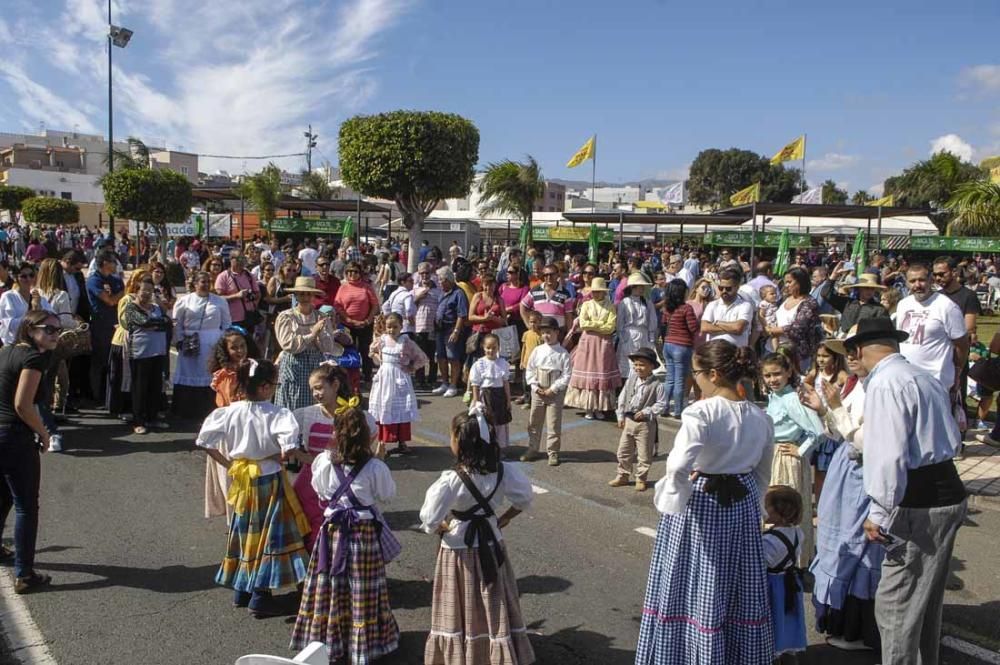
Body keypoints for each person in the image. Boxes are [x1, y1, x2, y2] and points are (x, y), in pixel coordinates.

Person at [638, 340, 774, 664]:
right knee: (738, 583)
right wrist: (750, 501)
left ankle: (689, 655)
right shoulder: (760, 416)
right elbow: (762, 475)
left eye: (697, 372)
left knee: (696, 581)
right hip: (740, 504)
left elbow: (678, 465)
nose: (694, 378)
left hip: (702, 502)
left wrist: (675, 495)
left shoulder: (702, 411)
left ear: (713, 373)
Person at [846, 318, 967, 665]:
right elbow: (951, 439)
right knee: (925, 599)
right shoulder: (923, 377)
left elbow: (888, 456)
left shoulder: (885, 384)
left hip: (920, 501)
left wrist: (878, 512)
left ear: (857, 350)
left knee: (896, 606)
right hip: (946, 492)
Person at [195, 359, 311, 617]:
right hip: (269, 482)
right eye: (273, 384)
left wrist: (229, 463)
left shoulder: (230, 411)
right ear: (265, 387)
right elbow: (288, 448)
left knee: (246, 532)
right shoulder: (278, 414)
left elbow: (204, 441)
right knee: (269, 538)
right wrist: (290, 458)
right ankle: (260, 595)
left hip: (242, 480)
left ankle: (242, 591)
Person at [420, 410, 535, 665]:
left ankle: (462, 654)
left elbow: (429, 517)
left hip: (458, 546)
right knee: (492, 597)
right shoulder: (504, 471)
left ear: (459, 442)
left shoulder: (452, 479)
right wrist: (505, 517)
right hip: (491, 540)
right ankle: (494, 651)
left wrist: (441, 527)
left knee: (460, 602)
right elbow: (525, 499)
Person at [291, 407, 400, 662]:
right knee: (362, 587)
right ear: (366, 437)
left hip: (332, 532)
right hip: (362, 535)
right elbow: (386, 495)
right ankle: (363, 645)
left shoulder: (323, 462)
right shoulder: (374, 467)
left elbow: (319, 492)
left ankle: (329, 642)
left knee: (330, 584)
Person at [799, 327, 884, 653]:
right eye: (846, 351)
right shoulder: (856, 384)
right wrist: (824, 408)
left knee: (857, 545)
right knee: (838, 541)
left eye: (854, 351)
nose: (850, 358)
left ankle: (857, 627)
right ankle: (839, 621)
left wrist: (832, 406)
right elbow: (838, 433)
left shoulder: (879, 388)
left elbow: (864, 440)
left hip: (861, 474)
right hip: (843, 472)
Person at [0, 310, 61, 594]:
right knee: (26, 504)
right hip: (14, 436)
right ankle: (24, 574)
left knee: (4, 495)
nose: (54, 334)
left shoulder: (7, 351)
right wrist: (44, 433)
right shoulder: (32, 359)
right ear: (29, 329)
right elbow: (23, 405)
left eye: (57, 330)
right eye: (48, 329)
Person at [292, 364, 377, 549]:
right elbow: (280, 433)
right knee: (310, 521)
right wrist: (299, 455)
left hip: (344, 481)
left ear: (335, 385)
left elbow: (368, 441)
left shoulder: (358, 415)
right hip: (310, 481)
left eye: (319, 387)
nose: (315, 393)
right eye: (312, 389)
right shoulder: (306, 415)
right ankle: (316, 563)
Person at [762, 348, 824, 568]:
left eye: (777, 374)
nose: (772, 379)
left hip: (787, 458)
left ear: (788, 372)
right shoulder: (775, 398)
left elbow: (817, 431)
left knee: (784, 509)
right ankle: (777, 554)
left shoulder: (791, 399)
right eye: (768, 375)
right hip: (774, 455)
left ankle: (793, 560)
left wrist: (800, 450)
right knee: (772, 506)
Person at [894, 264, 968, 393]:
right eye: (912, 281)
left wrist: (957, 372)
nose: (917, 285)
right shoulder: (903, 305)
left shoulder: (947, 306)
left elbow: (962, 344)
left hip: (935, 382)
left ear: (931, 281)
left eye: (922, 280)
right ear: (906, 283)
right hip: (906, 380)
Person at [274, 277, 345, 411]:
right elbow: (288, 344)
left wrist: (320, 334)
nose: (305, 297)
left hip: (315, 364)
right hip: (293, 364)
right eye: (301, 293)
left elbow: (327, 347)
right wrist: (312, 334)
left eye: (308, 293)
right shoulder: (287, 316)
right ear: (296, 295)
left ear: (313, 295)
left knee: (315, 404)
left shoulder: (321, 316)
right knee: (292, 403)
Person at [203, 328, 252, 522]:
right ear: (225, 350)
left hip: (249, 428)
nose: (240, 350)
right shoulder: (224, 376)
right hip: (229, 431)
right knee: (231, 477)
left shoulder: (252, 367)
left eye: (242, 346)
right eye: (234, 348)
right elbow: (228, 403)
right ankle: (234, 522)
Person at [172, 271, 232, 420]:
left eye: (208, 282)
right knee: (189, 372)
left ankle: (208, 410)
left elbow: (226, 324)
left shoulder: (219, 301)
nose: (205, 285)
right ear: (195, 284)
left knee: (209, 374)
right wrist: (179, 340)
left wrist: (221, 342)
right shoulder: (184, 301)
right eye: (202, 282)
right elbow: (177, 323)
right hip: (190, 343)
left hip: (212, 343)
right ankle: (185, 411)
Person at [368, 312, 428, 457]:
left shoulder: (406, 342)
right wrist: (378, 358)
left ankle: (402, 442)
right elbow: (372, 352)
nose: (391, 330)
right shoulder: (381, 340)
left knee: (400, 409)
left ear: (401, 327)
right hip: (384, 379)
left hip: (399, 379)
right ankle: (382, 442)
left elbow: (422, 358)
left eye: (395, 327)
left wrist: (411, 368)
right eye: (389, 327)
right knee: (385, 407)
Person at [609, 348, 665, 492]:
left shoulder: (657, 385)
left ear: (652, 366)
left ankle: (641, 478)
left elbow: (661, 404)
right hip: (629, 421)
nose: (638, 368)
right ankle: (623, 475)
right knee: (623, 451)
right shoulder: (631, 380)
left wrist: (647, 411)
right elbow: (623, 397)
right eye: (636, 365)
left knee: (644, 454)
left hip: (645, 425)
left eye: (642, 365)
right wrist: (620, 415)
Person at [564, 277, 620, 420]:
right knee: (588, 371)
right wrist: (599, 324)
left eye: (599, 292)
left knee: (601, 371)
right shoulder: (586, 305)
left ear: (604, 292)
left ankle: (599, 407)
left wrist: (593, 325)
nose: (596, 294)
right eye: (594, 291)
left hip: (603, 344)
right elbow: (583, 323)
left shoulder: (610, 306)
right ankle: (588, 407)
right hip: (588, 343)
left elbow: (610, 327)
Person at [763, 486, 808, 660]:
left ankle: (772, 651)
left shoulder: (769, 540)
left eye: (768, 507)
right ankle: (788, 649)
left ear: (779, 511)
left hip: (773, 584)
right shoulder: (798, 533)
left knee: (774, 619)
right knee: (787, 619)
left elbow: (765, 562)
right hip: (790, 581)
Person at [121, 279, 170, 435]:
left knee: (155, 387)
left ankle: (152, 417)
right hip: (140, 353)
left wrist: (159, 322)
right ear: (137, 291)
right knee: (140, 388)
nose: (147, 293)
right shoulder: (131, 307)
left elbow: (168, 322)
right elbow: (143, 322)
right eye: (144, 290)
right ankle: (139, 420)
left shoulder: (156, 308)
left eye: (151, 290)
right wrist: (157, 323)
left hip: (158, 352)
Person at [522, 316, 571, 466]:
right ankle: (533, 448)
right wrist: (535, 387)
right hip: (538, 390)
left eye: (549, 332)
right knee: (534, 421)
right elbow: (530, 370)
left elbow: (567, 374)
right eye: (543, 333)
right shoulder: (537, 351)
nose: (546, 336)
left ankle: (553, 451)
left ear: (557, 332)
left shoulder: (563, 353)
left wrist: (554, 388)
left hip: (554, 391)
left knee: (553, 422)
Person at [766, 267, 822, 372]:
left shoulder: (809, 303)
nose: (786, 285)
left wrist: (776, 330)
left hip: (796, 355)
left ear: (800, 282)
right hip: (774, 349)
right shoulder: (785, 298)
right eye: (785, 282)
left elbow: (799, 328)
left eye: (789, 282)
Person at [333, 262, 379, 383]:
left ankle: (367, 376)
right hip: (348, 325)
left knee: (366, 350)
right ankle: (351, 377)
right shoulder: (342, 287)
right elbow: (338, 306)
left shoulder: (366, 287)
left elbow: (375, 305)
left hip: (365, 324)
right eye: (349, 271)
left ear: (360, 273)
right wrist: (348, 319)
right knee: (349, 350)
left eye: (355, 271)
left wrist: (368, 320)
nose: (352, 274)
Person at [661, 278, 699, 418]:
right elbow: (693, 328)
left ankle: (664, 407)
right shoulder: (686, 308)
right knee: (679, 380)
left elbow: (664, 324)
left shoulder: (667, 308)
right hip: (682, 346)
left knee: (669, 378)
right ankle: (678, 410)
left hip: (668, 344)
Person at [431, 267, 469, 399]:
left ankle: (453, 385)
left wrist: (456, 331)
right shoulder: (442, 293)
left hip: (451, 329)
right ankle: (445, 382)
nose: (439, 283)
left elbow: (462, 314)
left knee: (453, 357)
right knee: (441, 356)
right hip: (440, 329)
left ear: (448, 280)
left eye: (441, 280)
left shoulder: (459, 293)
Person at [469, 333, 512, 447]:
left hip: (500, 397)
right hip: (485, 397)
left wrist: (508, 400)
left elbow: (505, 383)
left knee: (500, 423)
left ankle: (499, 447)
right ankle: (486, 447)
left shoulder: (503, 363)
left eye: (494, 348)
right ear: (483, 347)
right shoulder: (479, 364)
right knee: (485, 422)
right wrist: (476, 401)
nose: (491, 350)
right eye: (488, 347)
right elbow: (475, 385)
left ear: (498, 347)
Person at [615, 272, 658, 380]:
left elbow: (652, 320)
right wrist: (622, 337)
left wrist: (651, 338)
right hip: (628, 334)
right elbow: (620, 321)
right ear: (633, 287)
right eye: (640, 286)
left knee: (642, 361)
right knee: (627, 362)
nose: (642, 288)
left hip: (643, 335)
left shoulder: (647, 302)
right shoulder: (625, 302)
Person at [700, 268, 754, 349]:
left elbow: (738, 328)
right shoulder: (712, 305)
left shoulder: (745, 306)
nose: (724, 291)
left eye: (728, 288)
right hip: (714, 352)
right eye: (721, 288)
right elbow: (704, 327)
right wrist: (731, 329)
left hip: (736, 353)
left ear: (737, 287)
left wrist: (718, 323)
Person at [412, 262, 440, 389]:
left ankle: (432, 379)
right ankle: (419, 380)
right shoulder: (414, 288)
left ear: (431, 273)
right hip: (419, 326)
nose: (424, 275)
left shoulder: (438, 288)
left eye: (427, 273)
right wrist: (417, 298)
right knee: (420, 355)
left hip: (433, 327)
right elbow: (410, 306)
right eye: (422, 273)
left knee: (432, 355)